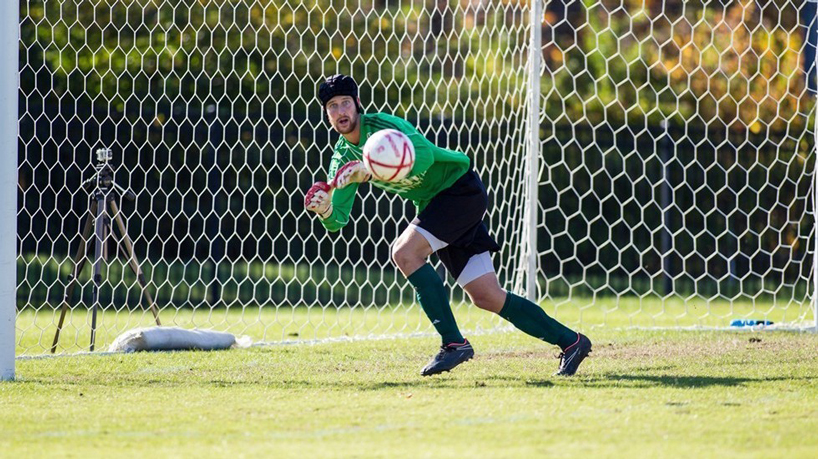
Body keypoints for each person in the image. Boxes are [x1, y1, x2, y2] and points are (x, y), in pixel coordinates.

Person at [304, 74, 591, 376]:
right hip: (436, 204)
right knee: (487, 296)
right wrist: (325, 210)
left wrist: (373, 168)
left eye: (345, 103)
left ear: (358, 104)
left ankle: (453, 344)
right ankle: (572, 342)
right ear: (327, 114)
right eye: (333, 106)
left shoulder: (384, 127)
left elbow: (424, 155)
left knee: (404, 253)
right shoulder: (341, 158)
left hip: (458, 190)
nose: (341, 112)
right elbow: (338, 221)